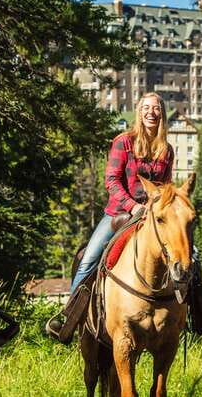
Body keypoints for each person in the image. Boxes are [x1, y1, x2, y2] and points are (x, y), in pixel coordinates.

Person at [46, 92, 174, 343]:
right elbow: (112, 180)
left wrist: (157, 208)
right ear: (139, 112)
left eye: (156, 108)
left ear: (162, 114)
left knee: (189, 255)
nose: (151, 112)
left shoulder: (166, 150)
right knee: (89, 258)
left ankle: (199, 315)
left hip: (153, 217)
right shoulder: (123, 142)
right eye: (146, 107)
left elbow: (165, 187)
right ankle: (68, 316)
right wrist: (132, 206)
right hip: (119, 214)